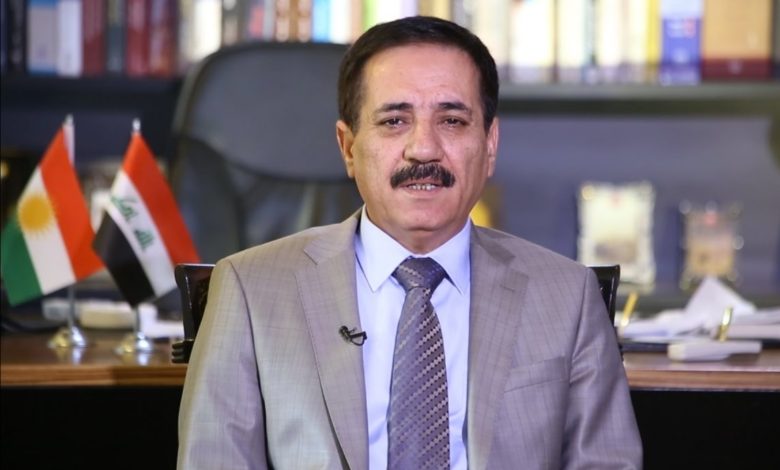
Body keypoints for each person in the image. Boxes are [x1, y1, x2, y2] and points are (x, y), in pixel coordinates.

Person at [178, 16, 642, 469]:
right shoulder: (250, 289)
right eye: (395, 121)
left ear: (490, 144)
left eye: (452, 121)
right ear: (347, 146)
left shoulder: (567, 296)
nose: (424, 149)